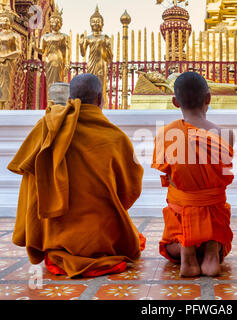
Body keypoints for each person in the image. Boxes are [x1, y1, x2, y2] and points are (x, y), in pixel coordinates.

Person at [8, 74, 145, 278]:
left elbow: (30, 185)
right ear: (100, 99)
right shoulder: (117, 139)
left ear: (71, 97)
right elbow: (129, 193)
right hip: (101, 238)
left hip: (53, 236)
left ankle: (58, 240)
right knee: (129, 233)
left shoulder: (47, 128)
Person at [152, 72, 234, 277]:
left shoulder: (166, 134)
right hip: (213, 221)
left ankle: (186, 251)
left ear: (174, 102)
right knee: (212, 205)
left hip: (182, 219)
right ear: (208, 98)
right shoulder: (225, 134)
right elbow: (222, 178)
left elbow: (169, 179)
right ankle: (211, 250)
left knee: (170, 242)